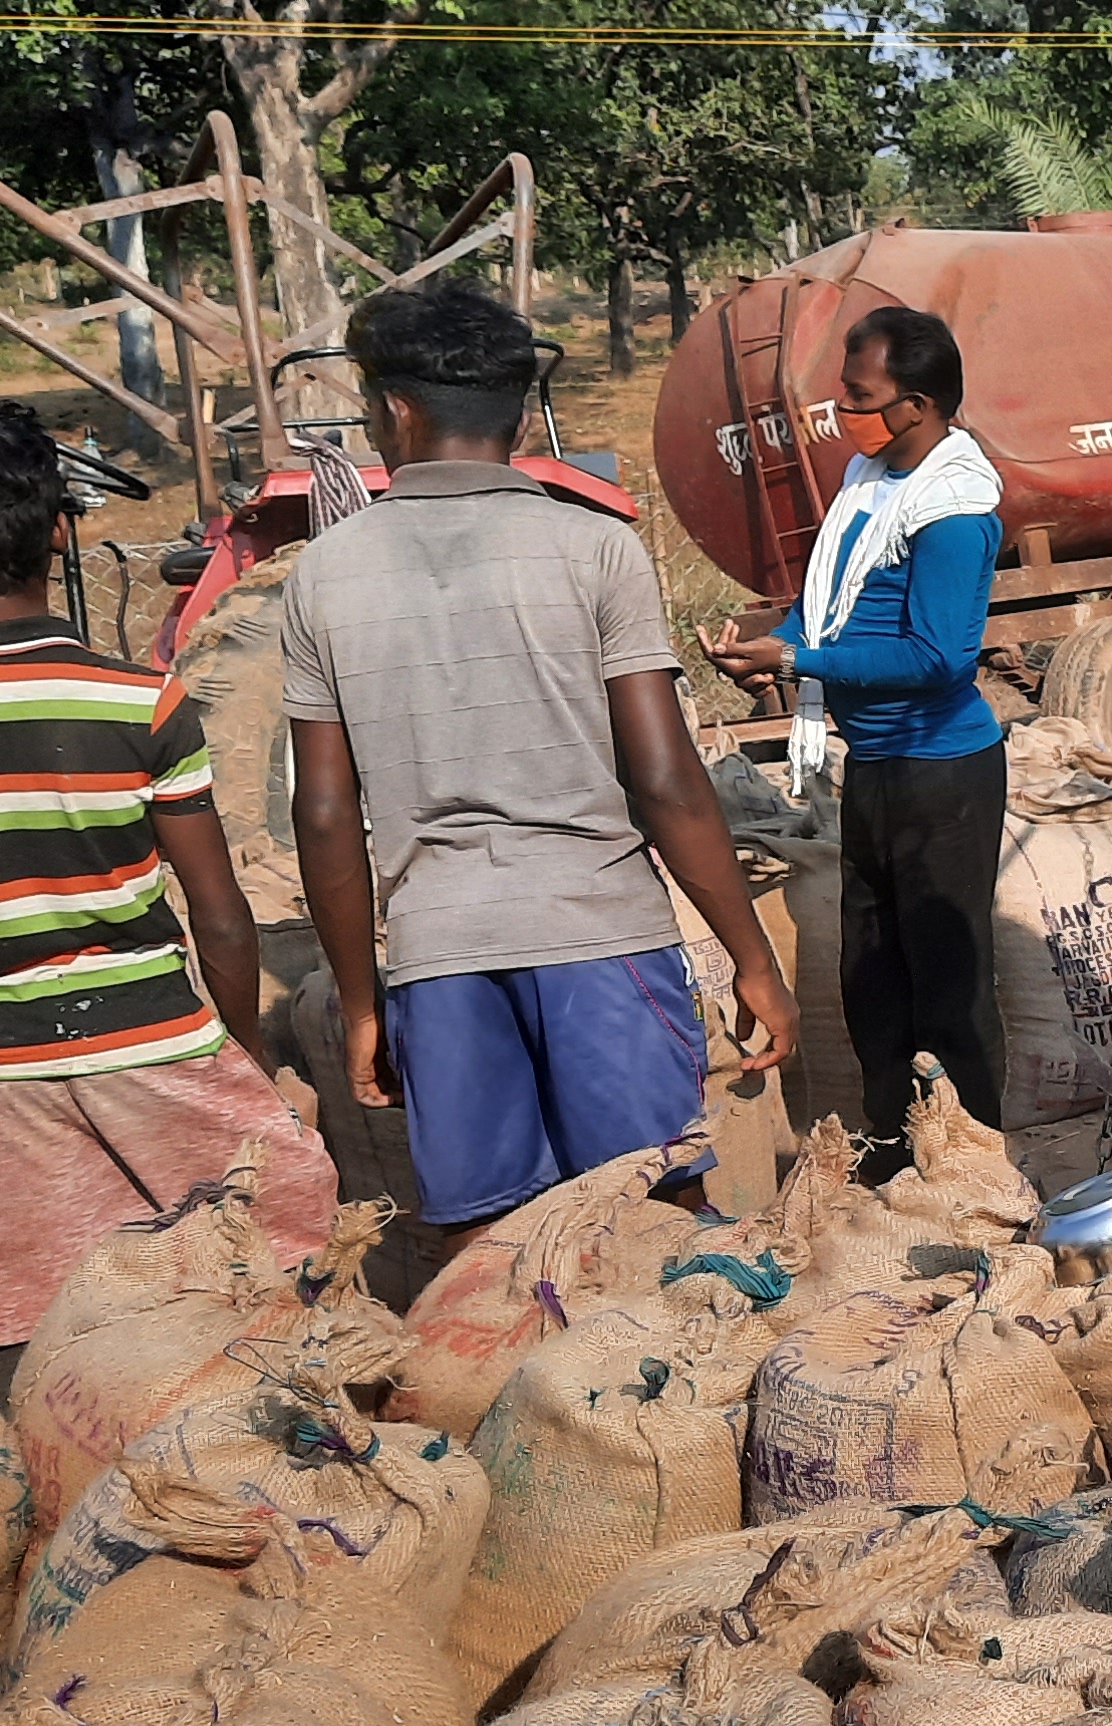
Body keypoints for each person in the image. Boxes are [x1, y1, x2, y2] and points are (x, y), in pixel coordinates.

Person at [288, 282, 798, 1270]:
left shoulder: (325, 572)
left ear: (393, 410)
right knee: (658, 1218)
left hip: (439, 960)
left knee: (484, 1246)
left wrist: (363, 1004)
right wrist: (753, 957)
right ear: (519, 411)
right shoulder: (594, 549)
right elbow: (666, 779)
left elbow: (322, 812)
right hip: (600, 938)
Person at [0, 401, 335, 1345]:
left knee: (72, 1354)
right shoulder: (141, 702)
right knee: (269, 1307)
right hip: (161, 1048)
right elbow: (222, 922)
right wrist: (242, 1062)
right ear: (60, 528)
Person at [705, 306, 1008, 1176]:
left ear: (915, 405)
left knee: (948, 987)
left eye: (860, 397)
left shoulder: (954, 505)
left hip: (941, 772)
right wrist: (778, 660)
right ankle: (890, 1152)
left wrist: (802, 656)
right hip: (878, 764)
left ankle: (973, 1167)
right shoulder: (869, 476)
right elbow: (829, 599)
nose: (843, 411)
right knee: (873, 977)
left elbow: (938, 655)